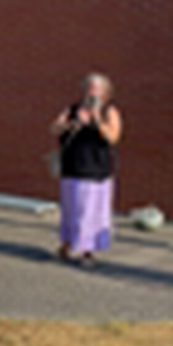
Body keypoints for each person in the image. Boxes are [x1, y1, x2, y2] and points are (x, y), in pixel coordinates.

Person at [50, 73, 123, 267]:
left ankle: (88, 251)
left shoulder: (109, 111)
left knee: (90, 213)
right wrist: (70, 124)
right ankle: (67, 244)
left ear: (105, 92)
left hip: (95, 171)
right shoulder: (72, 109)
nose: (91, 92)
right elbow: (55, 128)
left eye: (96, 89)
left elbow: (113, 137)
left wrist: (97, 118)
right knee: (70, 210)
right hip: (72, 167)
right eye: (89, 88)